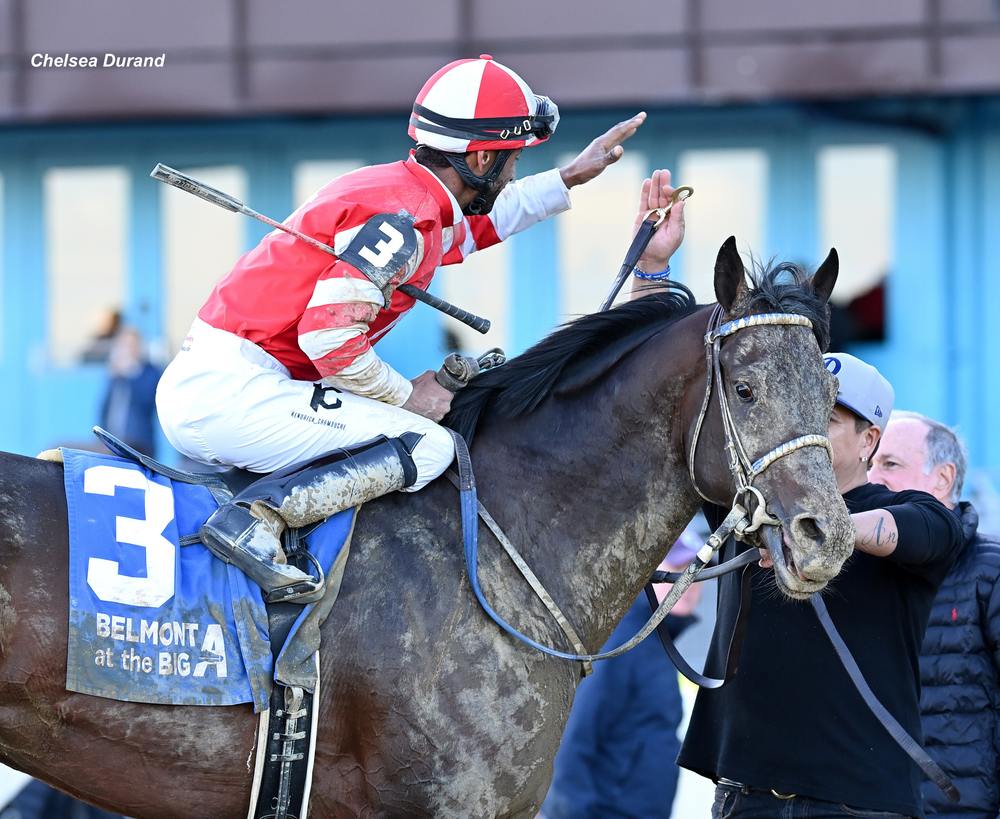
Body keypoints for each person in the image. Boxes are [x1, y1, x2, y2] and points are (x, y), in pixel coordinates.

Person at [155, 55, 659, 600]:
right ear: (484, 157)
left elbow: (480, 226)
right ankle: (257, 521)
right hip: (237, 392)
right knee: (428, 447)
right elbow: (328, 338)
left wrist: (569, 177)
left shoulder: (403, 193)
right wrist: (406, 394)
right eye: (512, 159)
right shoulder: (408, 219)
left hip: (237, 381)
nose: (513, 171)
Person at [679, 352, 964, 818]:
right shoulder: (748, 505)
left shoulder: (914, 511)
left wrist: (811, 530)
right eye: (793, 412)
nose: (800, 432)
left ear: (869, 439)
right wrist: (653, 278)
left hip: (857, 802)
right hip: (744, 795)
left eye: (824, 419)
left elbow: (924, 529)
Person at [869, 411, 1000, 817]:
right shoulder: (859, 577)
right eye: (869, 464)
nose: (872, 477)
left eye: (890, 464)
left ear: (942, 478)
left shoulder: (999, 573)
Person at [539, 531, 703, 819]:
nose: (689, 584)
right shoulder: (623, 643)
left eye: (697, 573)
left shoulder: (655, 643)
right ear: (648, 575)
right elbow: (575, 736)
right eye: (679, 570)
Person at [99, 326, 163, 456]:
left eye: (131, 345)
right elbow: (106, 408)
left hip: (139, 445)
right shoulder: (116, 376)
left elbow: (146, 402)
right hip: (113, 442)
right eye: (123, 346)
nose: (127, 350)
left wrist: (132, 373)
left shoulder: (150, 372)